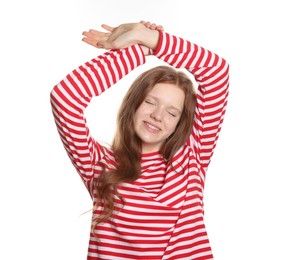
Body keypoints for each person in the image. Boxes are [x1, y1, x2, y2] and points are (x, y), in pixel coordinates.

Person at [50, 20, 229, 260]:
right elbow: (65, 98)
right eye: (150, 102)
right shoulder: (98, 164)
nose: (157, 115)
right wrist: (137, 50)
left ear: (179, 122)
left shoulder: (192, 156)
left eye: (172, 112)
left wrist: (148, 38)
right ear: (133, 104)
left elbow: (216, 72)